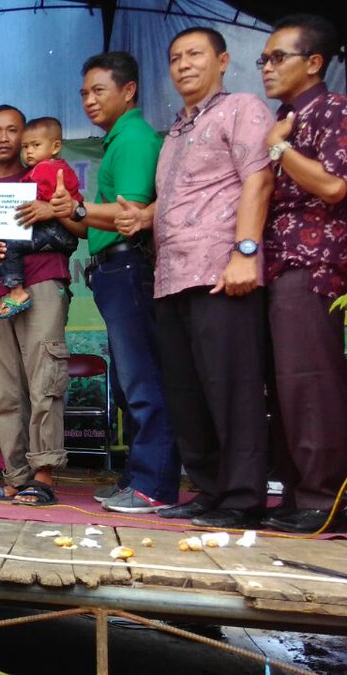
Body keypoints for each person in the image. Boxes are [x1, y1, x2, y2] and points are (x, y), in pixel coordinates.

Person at [116, 27, 274, 529]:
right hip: (171, 277)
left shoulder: (243, 108)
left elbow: (258, 176)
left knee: (232, 388)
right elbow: (188, 196)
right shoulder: (176, 132)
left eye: (195, 55)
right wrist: (145, 218)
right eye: (175, 57)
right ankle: (208, 490)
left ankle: (243, 498)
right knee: (186, 393)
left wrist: (245, 251)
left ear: (223, 61)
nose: (184, 64)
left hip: (222, 273)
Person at [50, 51, 180, 514]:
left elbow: (131, 213)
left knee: (143, 379)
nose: (88, 100)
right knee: (130, 381)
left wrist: (78, 209)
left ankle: (155, 486)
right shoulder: (118, 141)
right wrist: (68, 213)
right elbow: (92, 226)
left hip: (128, 267)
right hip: (111, 268)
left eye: (98, 90)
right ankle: (139, 477)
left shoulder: (134, 139)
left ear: (129, 91)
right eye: (84, 92)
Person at [256, 14, 347, 533]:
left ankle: (324, 501)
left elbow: (334, 187)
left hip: (312, 265)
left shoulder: (332, 110)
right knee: (284, 386)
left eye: (277, 57)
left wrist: (279, 148)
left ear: (314, 63)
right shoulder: (287, 117)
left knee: (310, 382)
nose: (266, 67)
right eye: (262, 60)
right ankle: (297, 496)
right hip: (275, 265)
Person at [0, 105, 74, 507]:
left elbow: (76, 229)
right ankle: (14, 476)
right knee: (6, 389)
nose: (6, 138)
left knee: (44, 379)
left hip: (43, 280)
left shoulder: (48, 175)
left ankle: (43, 475)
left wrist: (55, 208)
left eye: (14, 130)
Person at [0, 116, 81, 319]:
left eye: (35, 145)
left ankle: (16, 292)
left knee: (10, 245)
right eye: (25, 147)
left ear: (55, 146)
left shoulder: (44, 169)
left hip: (55, 231)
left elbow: (36, 200)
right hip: (63, 232)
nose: (28, 151)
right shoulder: (58, 167)